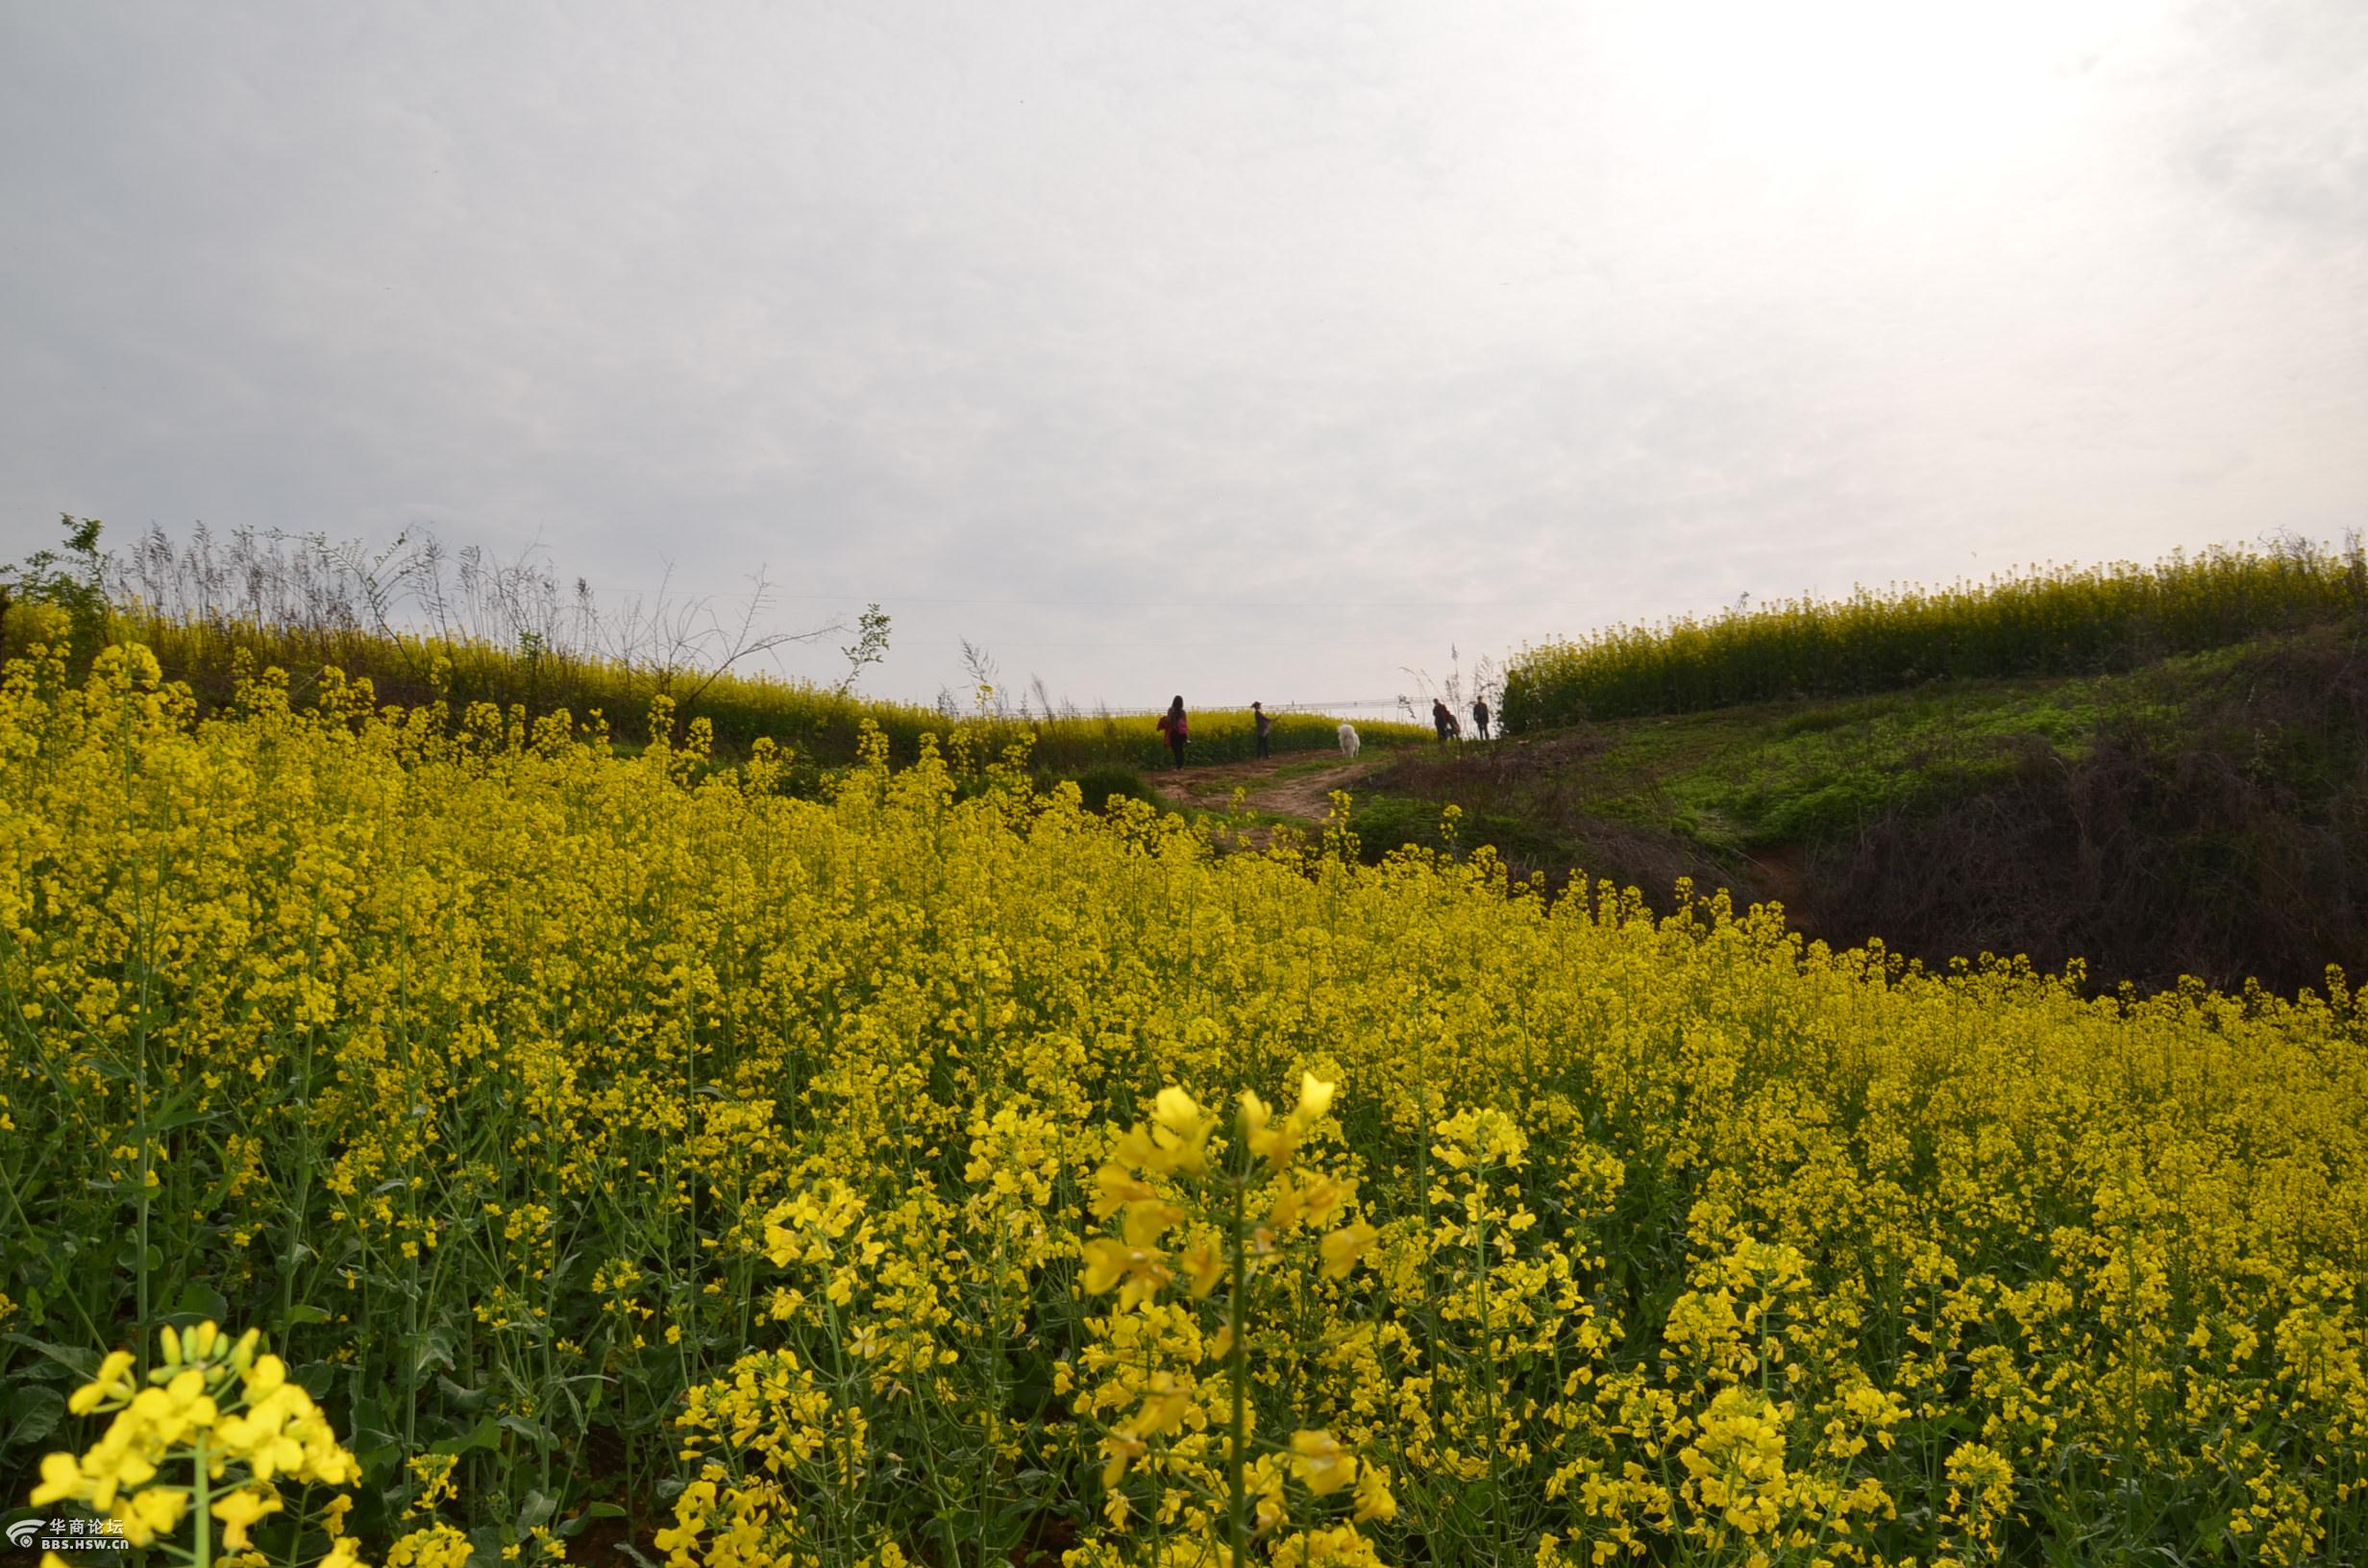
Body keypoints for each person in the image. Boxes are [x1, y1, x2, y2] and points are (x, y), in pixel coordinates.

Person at [1155, 695, 1189, 769]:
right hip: (1181, 733)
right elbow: (1185, 723)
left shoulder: (1171, 710)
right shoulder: (1183, 712)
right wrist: (1187, 735)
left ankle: (1178, 766)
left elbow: (1168, 720)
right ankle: (1181, 766)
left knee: (1175, 749)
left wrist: (1163, 720)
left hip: (1174, 732)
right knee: (1180, 749)